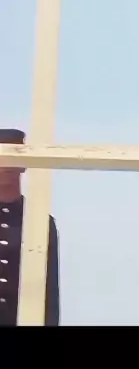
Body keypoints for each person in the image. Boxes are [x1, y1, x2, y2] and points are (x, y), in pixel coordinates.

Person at [0, 128, 60, 326]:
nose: (6, 165)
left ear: (24, 165)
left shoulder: (39, 220)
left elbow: (49, 291)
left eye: (14, 157)